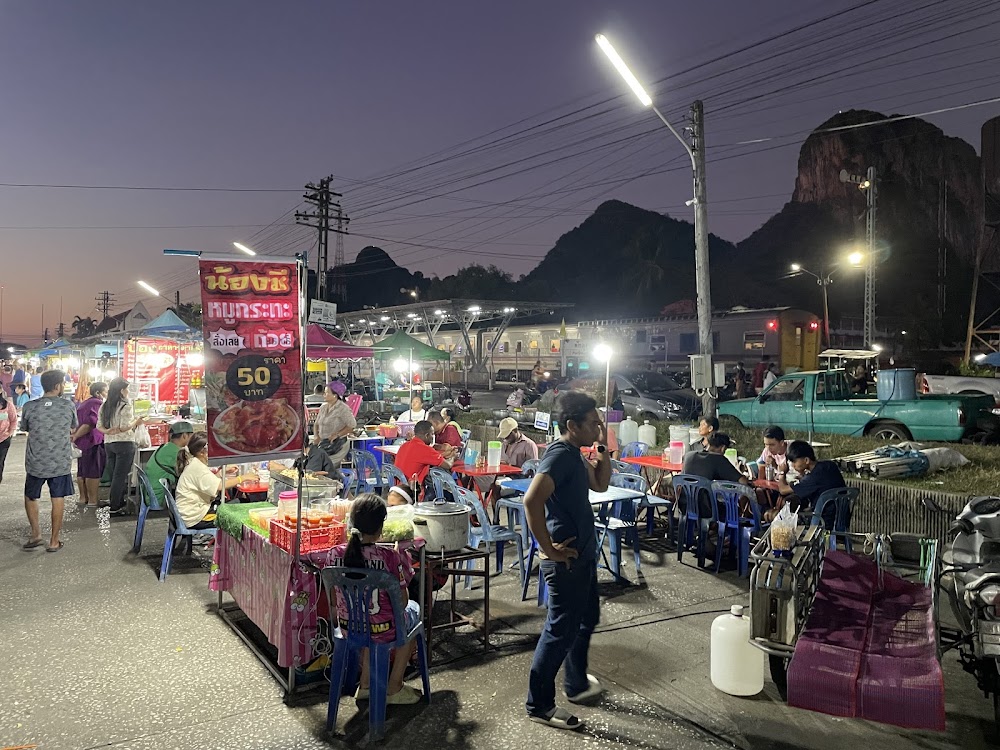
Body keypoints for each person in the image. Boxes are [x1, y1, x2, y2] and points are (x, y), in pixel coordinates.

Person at [523, 390, 610, 731]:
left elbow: (600, 485)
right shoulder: (559, 455)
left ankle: (575, 683)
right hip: (565, 561)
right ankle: (539, 704)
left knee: (587, 617)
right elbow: (532, 501)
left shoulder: (576, 453)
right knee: (559, 631)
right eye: (593, 422)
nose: (598, 426)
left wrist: (602, 450)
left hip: (583, 556)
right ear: (572, 425)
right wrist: (550, 549)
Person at [322, 493, 422, 704]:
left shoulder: (333, 554)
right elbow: (402, 602)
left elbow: (333, 599)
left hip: (348, 627)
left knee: (364, 619)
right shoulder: (389, 557)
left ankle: (365, 685)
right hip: (383, 629)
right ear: (380, 527)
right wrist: (398, 559)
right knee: (413, 612)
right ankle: (394, 687)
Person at [20, 370, 78, 552]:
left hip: (35, 460)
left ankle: (36, 534)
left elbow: (25, 428)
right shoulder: (67, 406)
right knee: (57, 497)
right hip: (59, 461)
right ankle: (54, 541)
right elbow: (73, 426)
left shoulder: (29, 406)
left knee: (30, 496)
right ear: (57, 386)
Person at [173, 432, 249, 528]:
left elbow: (208, 482)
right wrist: (242, 478)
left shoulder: (195, 463)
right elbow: (220, 486)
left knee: (239, 502)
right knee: (240, 506)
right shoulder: (198, 468)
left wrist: (221, 473)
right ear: (202, 452)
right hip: (195, 516)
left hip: (191, 512)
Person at [99, 378, 145, 516]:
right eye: (126, 389)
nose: (128, 391)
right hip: (124, 443)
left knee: (115, 475)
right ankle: (115, 507)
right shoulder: (126, 405)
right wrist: (136, 421)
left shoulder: (105, 405)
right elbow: (125, 426)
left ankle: (115, 500)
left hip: (109, 443)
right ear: (121, 390)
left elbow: (99, 426)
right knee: (120, 476)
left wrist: (108, 431)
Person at [777, 440, 846, 529]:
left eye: (794, 462)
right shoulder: (830, 465)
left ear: (806, 460)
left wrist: (782, 472)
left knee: (783, 517)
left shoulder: (811, 478)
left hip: (823, 521)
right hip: (842, 517)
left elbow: (783, 490)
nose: (793, 465)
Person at [681, 432, 748, 516]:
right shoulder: (719, 459)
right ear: (723, 448)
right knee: (732, 508)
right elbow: (743, 481)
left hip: (685, 505)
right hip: (706, 510)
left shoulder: (689, 455)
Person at [71, 381, 108, 508]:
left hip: (83, 442)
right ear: (98, 393)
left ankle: (83, 498)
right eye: (105, 391)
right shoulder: (96, 403)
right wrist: (76, 435)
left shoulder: (85, 403)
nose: (107, 393)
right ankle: (92, 500)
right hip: (92, 441)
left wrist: (76, 436)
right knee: (93, 471)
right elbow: (89, 424)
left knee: (82, 470)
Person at [394, 420, 453, 492]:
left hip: (398, 489)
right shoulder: (425, 449)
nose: (433, 437)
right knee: (443, 487)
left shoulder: (404, 445)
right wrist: (453, 457)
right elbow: (448, 465)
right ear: (427, 435)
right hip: (413, 493)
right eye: (432, 434)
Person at [144, 421, 194, 507]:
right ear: (184, 435)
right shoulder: (175, 452)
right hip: (158, 496)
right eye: (191, 436)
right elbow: (191, 470)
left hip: (149, 492)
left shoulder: (166, 447)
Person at [313, 380, 357, 466]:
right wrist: (316, 436)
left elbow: (352, 425)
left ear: (335, 395)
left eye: (326, 393)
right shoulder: (323, 407)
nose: (324, 395)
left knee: (323, 465)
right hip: (323, 443)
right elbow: (316, 424)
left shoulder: (343, 409)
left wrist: (337, 434)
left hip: (336, 445)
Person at [0, 382, 17, 484]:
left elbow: (14, 420)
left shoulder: (8, 405)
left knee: (0, 463)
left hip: (4, 439)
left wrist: (10, 432)